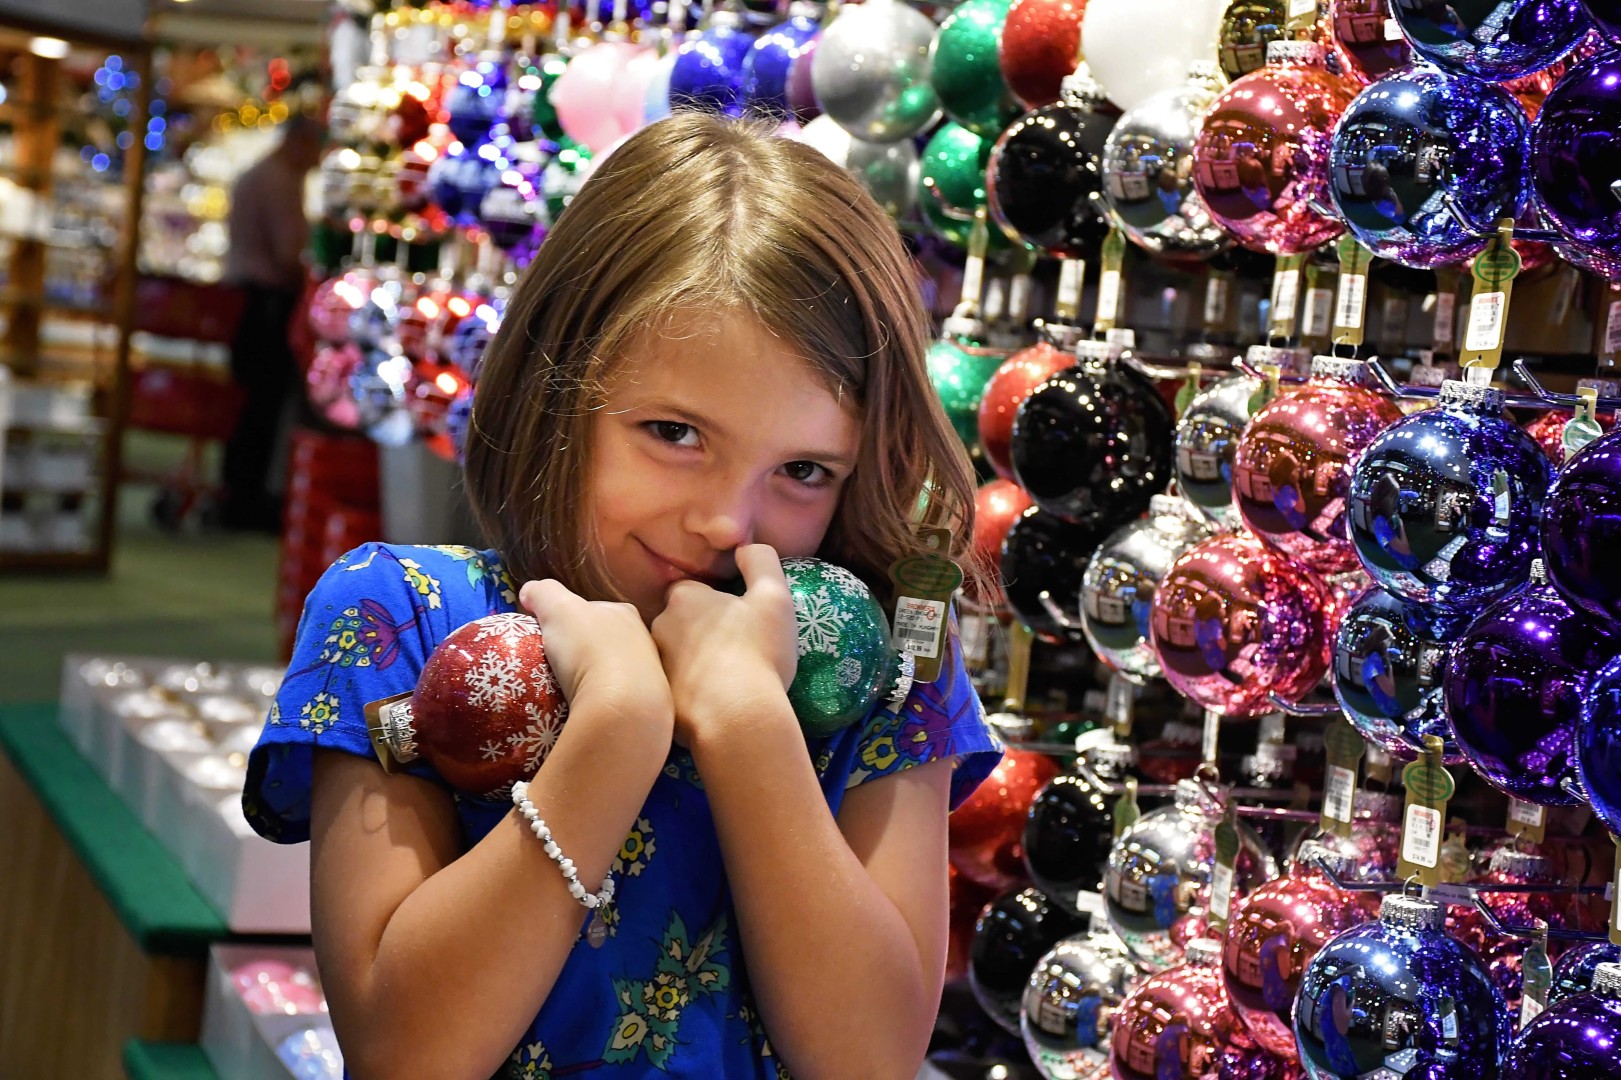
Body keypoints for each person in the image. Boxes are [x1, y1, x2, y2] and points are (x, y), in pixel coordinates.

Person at [243, 112, 1003, 1080]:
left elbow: (868, 1061)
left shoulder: (881, 671)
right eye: (674, 434)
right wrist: (616, 726)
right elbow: (406, 1056)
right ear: (556, 389)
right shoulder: (402, 613)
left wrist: (746, 723)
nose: (727, 521)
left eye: (804, 470)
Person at [219, 113, 325, 532]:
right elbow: (288, 253)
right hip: (266, 305)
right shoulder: (279, 181)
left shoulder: (259, 174)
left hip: (247, 300)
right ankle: (247, 503)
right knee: (261, 408)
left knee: (248, 406)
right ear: (300, 142)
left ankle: (237, 495)